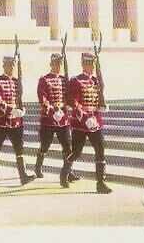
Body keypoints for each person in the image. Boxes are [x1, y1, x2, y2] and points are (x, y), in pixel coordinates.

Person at [61, 53, 112, 194]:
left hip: (95, 121)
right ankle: (65, 171)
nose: (91, 67)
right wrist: (83, 116)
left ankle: (100, 183)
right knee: (77, 152)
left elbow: (98, 99)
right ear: (84, 64)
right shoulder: (76, 80)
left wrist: (102, 106)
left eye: (93, 64)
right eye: (89, 64)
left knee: (100, 150)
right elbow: (73, 101)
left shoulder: (96, 81)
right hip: (81, 123)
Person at [0, 56, 35, 186]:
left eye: (13, 66)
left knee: (19, 149)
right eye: (9, 66)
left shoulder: (16, 81)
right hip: (1, 121)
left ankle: (23, 176)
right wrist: (11, 110)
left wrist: (22, 109)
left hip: (15, 122)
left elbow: (19, 99)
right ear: (4, 66)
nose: (11, 68)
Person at [34, 53, 80, 183]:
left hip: (63, 119)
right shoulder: (44, 79)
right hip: (49, 119)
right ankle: (38, 166)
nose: (58, 66)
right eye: (55, 63)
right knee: (45, 146)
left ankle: (68, 172)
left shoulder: (65, 80)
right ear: (51, 64)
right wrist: (51, 106)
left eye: (59, 64)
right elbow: (42, 96)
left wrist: (66, 105)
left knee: (67, 147)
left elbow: (69, 97)